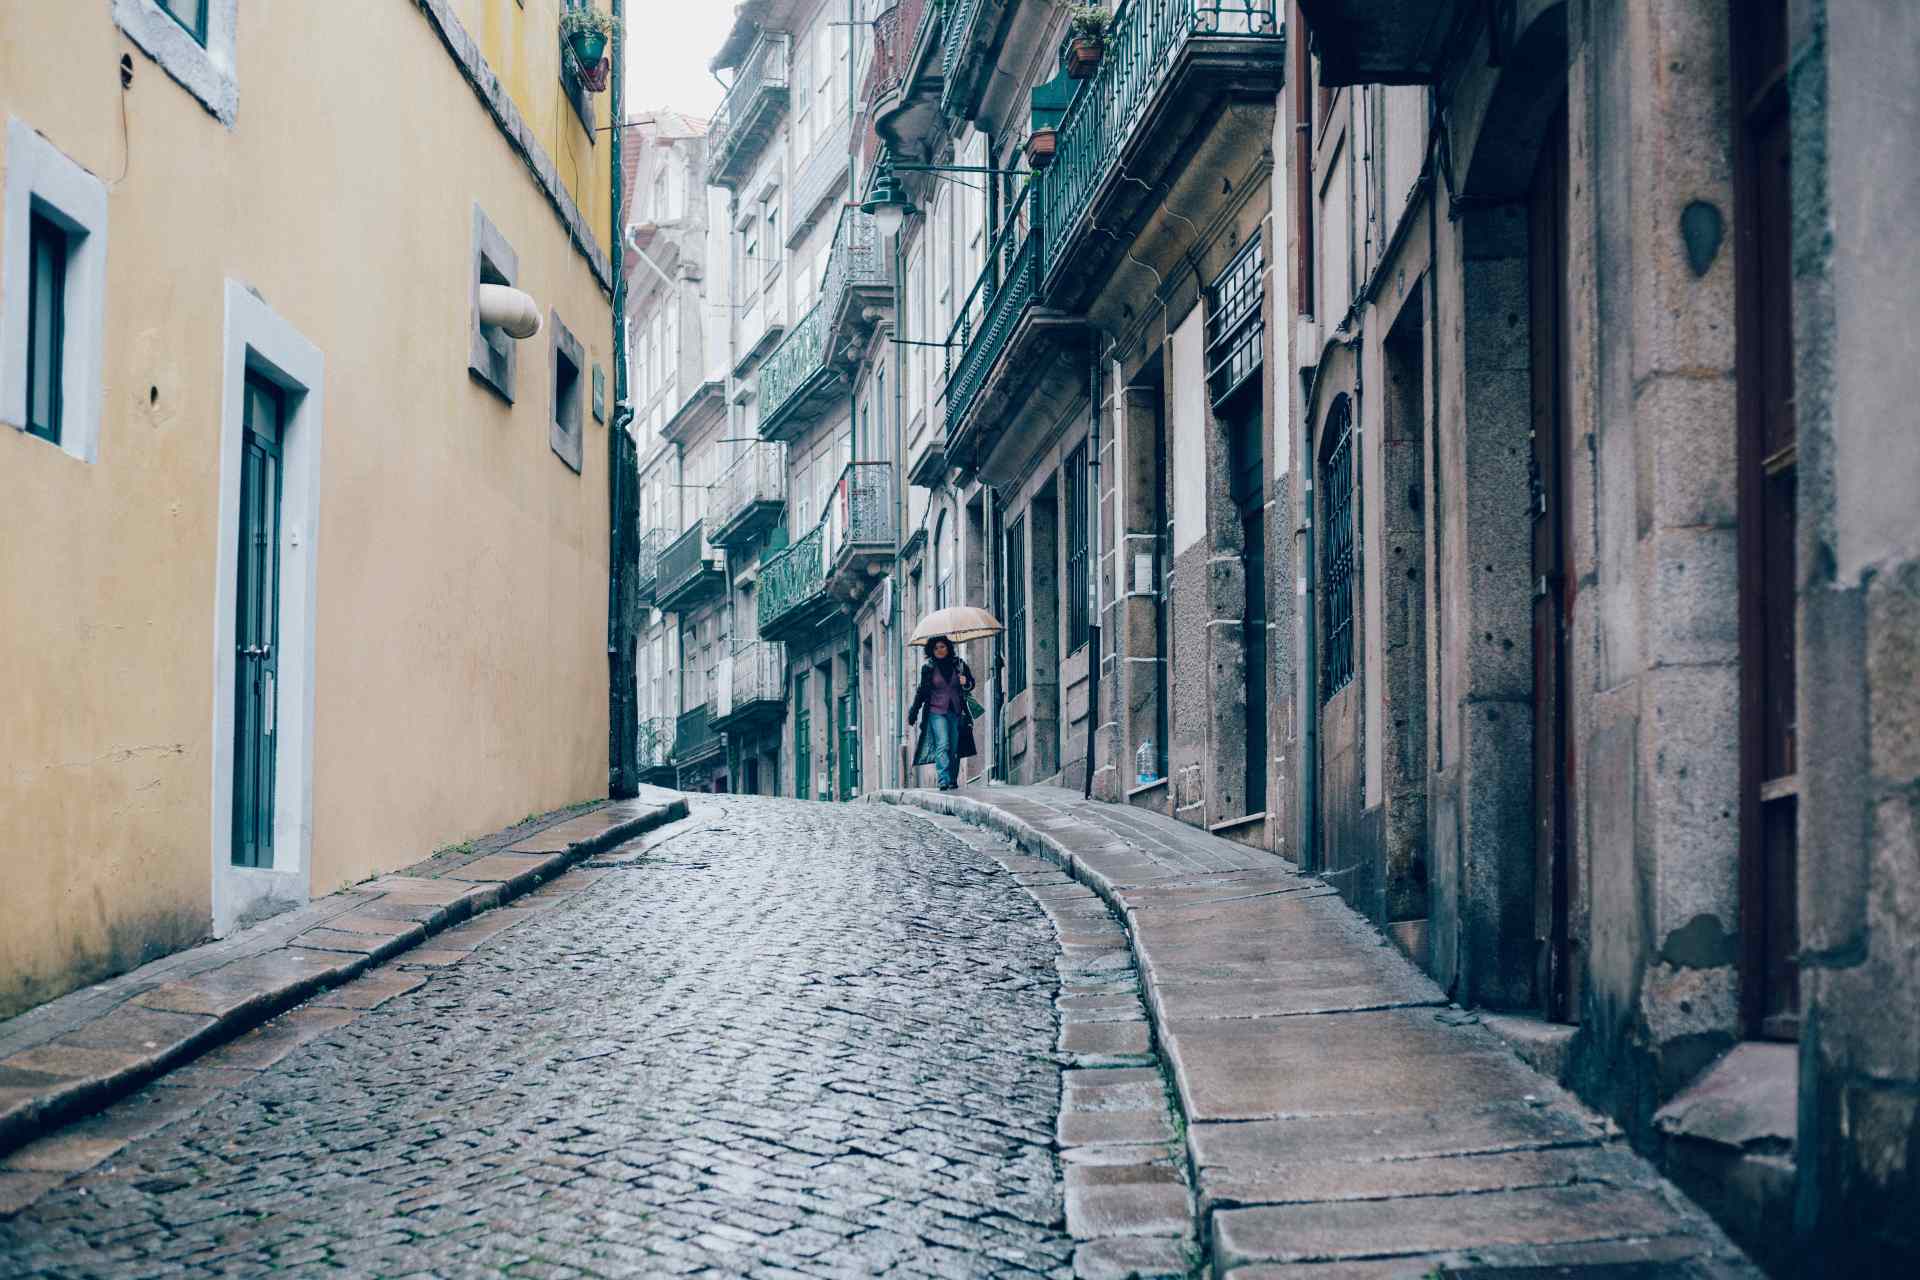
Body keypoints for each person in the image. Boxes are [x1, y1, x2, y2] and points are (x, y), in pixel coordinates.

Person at [907, 636, 977, 791]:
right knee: (943, 743)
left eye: (942, 647)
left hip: (956, 711)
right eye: (936, 648)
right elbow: (922, 691)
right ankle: (943, 780)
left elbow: (971, 684)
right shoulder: (928, 668)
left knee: (954, 747)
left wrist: (965, 682)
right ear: (931, 651)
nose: (939, 650)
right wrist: (914, 711)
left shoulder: (959, 665)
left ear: (948, 648)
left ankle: (952, 779)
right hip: (936, 711)